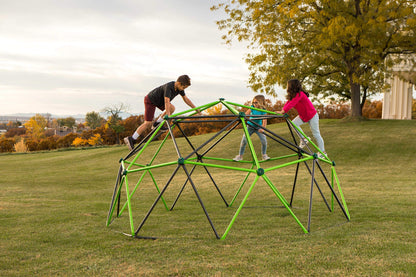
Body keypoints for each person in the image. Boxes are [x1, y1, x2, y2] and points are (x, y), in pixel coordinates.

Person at [124, 75, 198, 150]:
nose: (183, 89)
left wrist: (196, 109)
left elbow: (186, 99)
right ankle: (132, 139)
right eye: (183, 87)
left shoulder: (179, 89)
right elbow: (166, 101)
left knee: (172, 108)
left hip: (160, 101)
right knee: (147, 123)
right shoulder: (169, 87)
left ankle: (156, 123)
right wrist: (168, 116)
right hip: (150, 100)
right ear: (179, 83)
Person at [276, 79, 327, 157]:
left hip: (312, 115)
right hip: (303, 116)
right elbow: (288, 103)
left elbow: (292, 104)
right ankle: (303, 139)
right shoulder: (292, 96)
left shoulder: (300, 94)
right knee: (293, 123)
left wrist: (283, 111)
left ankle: (323, 152)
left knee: (316, 134)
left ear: (291, 87)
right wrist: (283, 110)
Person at [233, 95, 270, 161]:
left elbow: (265, 120)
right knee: (244, 140)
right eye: (253, 102)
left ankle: (264, 155)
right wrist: (242, 117)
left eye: (256, 102)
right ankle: (240, 156)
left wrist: (263, 129)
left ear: (261, 102)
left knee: (264, 141)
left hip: (258, 127)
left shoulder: (263, 110)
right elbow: (246, 114)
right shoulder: (252, 107)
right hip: (250, 126)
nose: (254, 104)